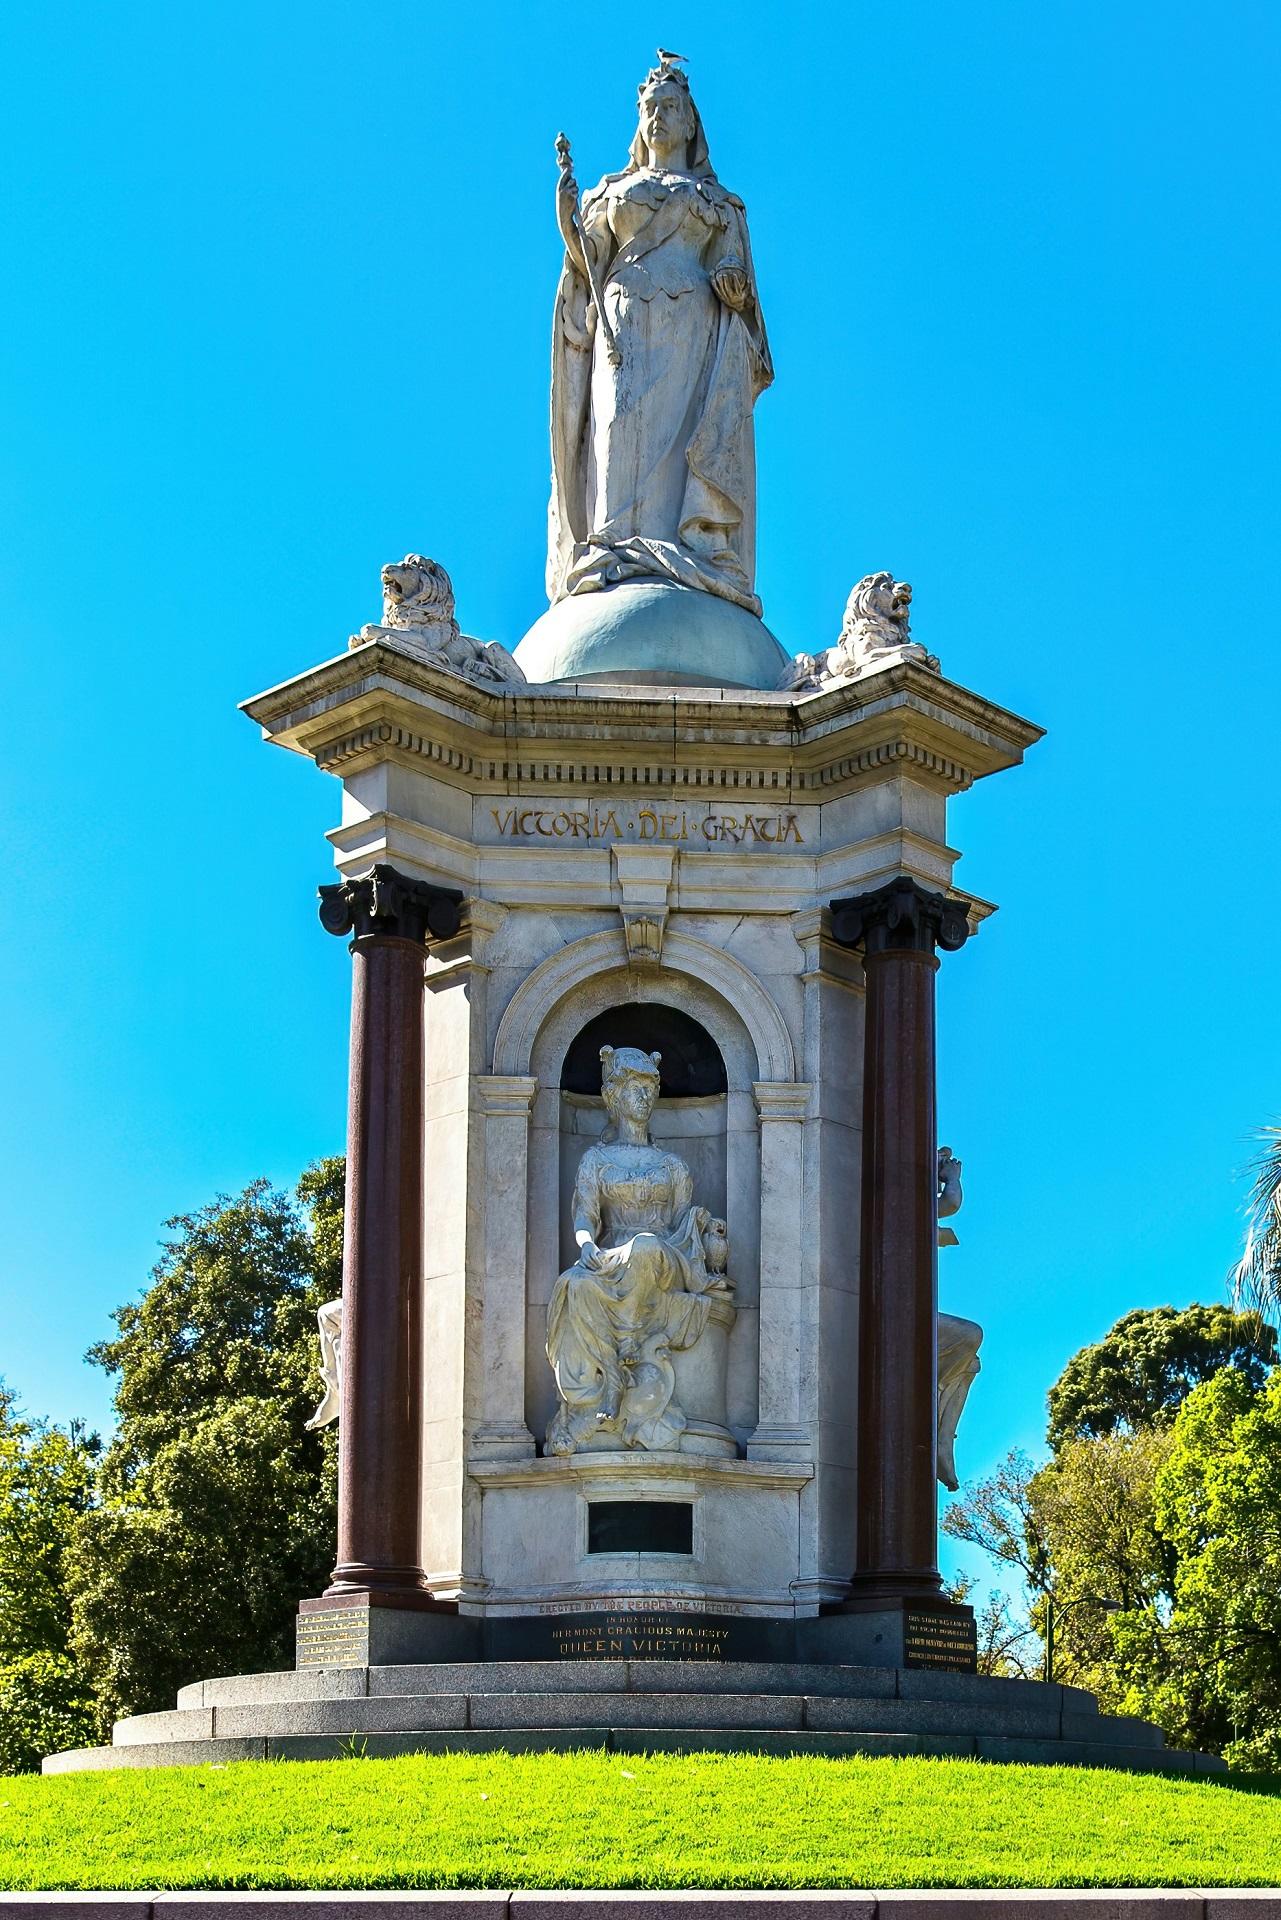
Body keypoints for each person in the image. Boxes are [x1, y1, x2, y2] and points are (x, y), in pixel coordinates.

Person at [548, 55, 772, 616]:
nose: (659, 118)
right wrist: (567, 222)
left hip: (694, 327)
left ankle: (685, 548)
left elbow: (741, 292)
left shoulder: (721, 206)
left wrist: (735, 290)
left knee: (687, 436)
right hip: (622, 320)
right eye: (650, 108)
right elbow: (586, 270)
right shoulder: (610, 192)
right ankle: (612, 547)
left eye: (671, 108)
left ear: (691, 123)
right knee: (618, 428)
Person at [546, 1044, 720, 1454]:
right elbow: (586, 1217)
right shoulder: (596, 1159)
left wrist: (706, 1237)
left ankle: (624, 1354)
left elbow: (681, 1226)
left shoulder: (672, 1165)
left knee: (645, 1246)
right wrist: (586, 1244)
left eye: (648, 1088)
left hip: (664, 1256)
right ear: (612, 1098)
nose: (643, 1097)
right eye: (633, 1088)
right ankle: (604, 1385)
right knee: (573, 1284)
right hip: (609, 1260)